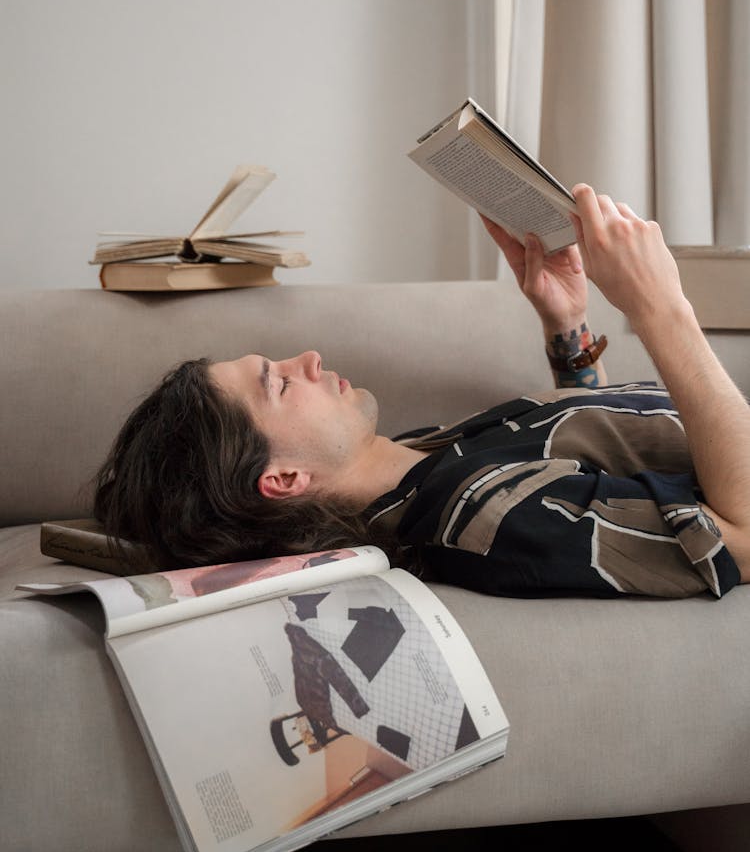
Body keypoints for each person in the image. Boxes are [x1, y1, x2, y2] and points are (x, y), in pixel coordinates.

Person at [93, 186, 750, 598]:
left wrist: (566, 325)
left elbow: (613, 450)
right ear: (285, 477)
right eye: (280, 382)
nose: (310, 358)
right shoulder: (479, 519)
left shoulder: (420, 462)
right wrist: (663, 308)